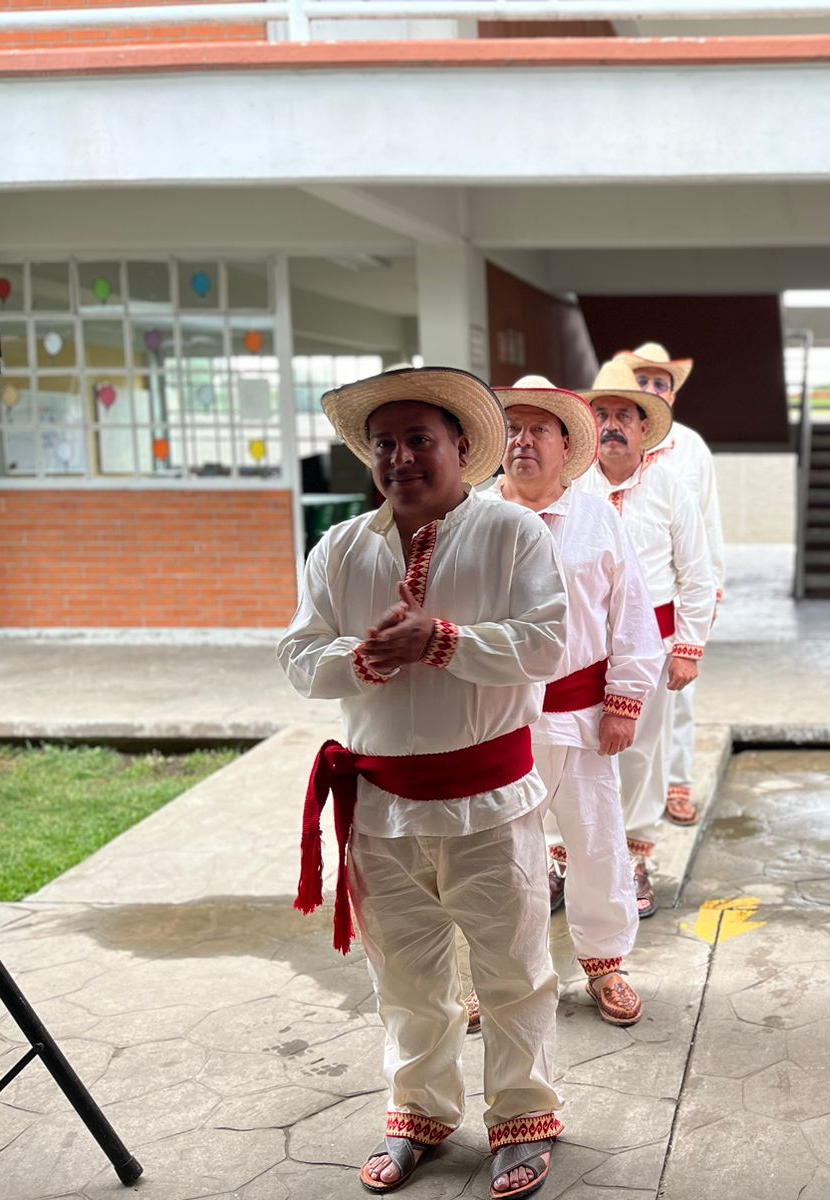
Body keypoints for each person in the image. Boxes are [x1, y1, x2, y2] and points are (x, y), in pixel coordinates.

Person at [278, 367, 569, 1199]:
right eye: (385, 445)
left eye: (419, 440)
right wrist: (362, 658)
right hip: (381, 810)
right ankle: (419, 1112)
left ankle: (525, 1118)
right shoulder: (339, 546)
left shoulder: (514, 534)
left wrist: (442, 640)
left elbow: (548, 643)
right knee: (405, 980)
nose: (400, 458)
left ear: (464, 449)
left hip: (489, 799)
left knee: (514, 973)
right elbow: (300, 655)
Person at [475, 375, 664, 1029]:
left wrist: (623, 701)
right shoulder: (469, 516)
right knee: (496, 850)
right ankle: (492, 973)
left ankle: (606, 964)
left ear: (564, 445)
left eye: (538, 429)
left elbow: (631, 614)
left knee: (595, 842)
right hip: (494, 719)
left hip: (581, 713)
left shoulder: (597, 517)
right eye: (512, 428)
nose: (522, 440)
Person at [575, 358, 715, 919]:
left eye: (623, 415)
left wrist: (687, 647)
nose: (611, 424)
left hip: (651, 647)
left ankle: (634, 859)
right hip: (581, 645)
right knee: (576, 752)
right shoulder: (572, 483)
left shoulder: (670, 486)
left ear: (642, 427)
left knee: (639, 753)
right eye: (601, 414)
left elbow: (697, 574)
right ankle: (569, 859)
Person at [615, 342, 724, 828]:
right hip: (609, 615)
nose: (654, 389)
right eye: (644, 381)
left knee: (676, 704)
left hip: (671, 601)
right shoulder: (599, 451)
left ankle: (677, 784)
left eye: (662, 383)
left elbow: (707, 523)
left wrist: (707, 598)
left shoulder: (690, 446)